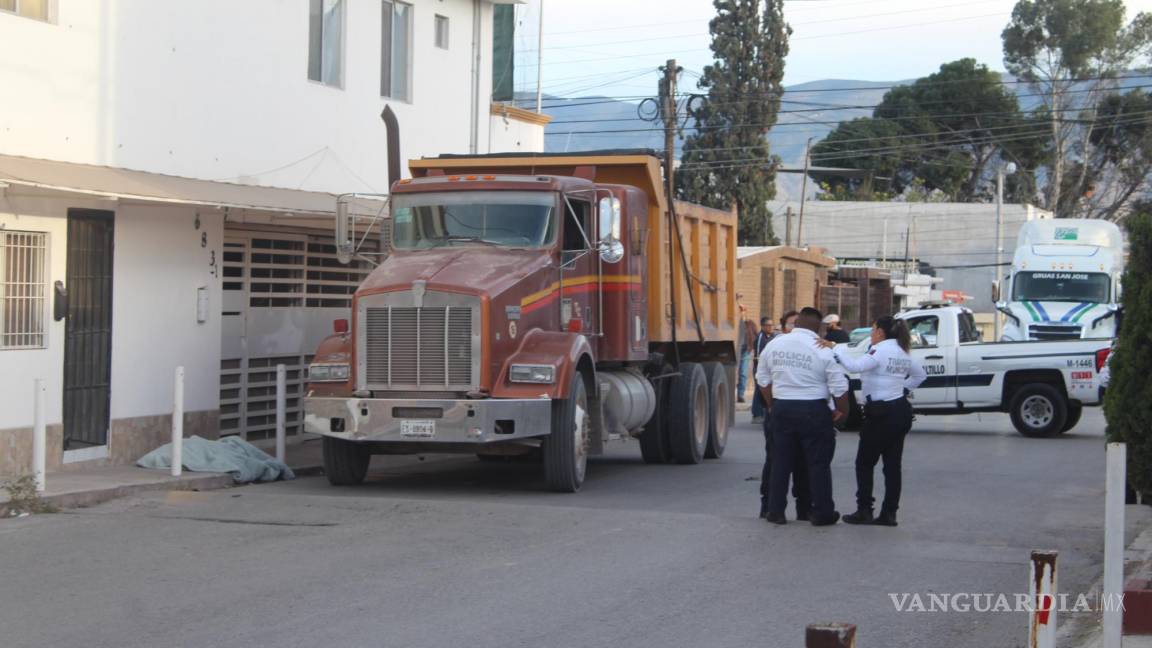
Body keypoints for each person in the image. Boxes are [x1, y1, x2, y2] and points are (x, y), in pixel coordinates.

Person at [823, 315, 926, 527]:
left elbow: (854, 366)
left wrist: (835, 347)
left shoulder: (880, 351)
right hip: (900, 411)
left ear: (880, 332)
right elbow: (920, 375)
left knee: (864, 463)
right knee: (892, 466)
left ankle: (864, 510)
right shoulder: (902, 351)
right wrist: (902, 390)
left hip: (881, 413)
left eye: (873, 329)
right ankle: (889, 514)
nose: (871, 333)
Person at [757, 307, 850, 526]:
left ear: (797, 323)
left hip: (782, 407)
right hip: (813, 410)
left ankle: (775, 511)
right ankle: (822, 512)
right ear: (818, 328)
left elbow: (762, 379)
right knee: (818, 463)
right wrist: (841, 412)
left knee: (781, 461)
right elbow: (840, 387)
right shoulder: (822, 349)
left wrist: (772, 405)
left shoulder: (775, 344)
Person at [750, 316, 775, 423]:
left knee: (765, 390)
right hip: (760, 369)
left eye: (771, 325)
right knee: (758, 390)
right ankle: (756, 415)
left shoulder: (772, 336)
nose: (770, 327)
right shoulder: (761, 337)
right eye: (768, 325)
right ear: (763, 326)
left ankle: (765, 413)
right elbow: (759, 355)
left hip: (769, 369)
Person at [737, 301, 757, 404]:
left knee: (743, 373)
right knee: (735, 372)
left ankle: (740, 395)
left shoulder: (750, 323)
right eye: (740, 310)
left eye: (743, 310)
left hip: (746, 351)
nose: (742, 312)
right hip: (736, 350)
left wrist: (752, 346)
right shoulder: (735, 323)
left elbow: (756, 335)